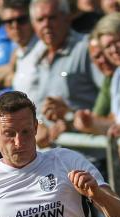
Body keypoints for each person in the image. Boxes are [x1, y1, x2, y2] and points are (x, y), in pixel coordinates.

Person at [12, 0, 99, 146]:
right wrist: (38, 124)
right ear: (33, 24)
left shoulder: (86, 49)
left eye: (52, 18)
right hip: (44, 157)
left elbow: (109, 101)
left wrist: (70, 117)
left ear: (67, 17)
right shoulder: (30, 56)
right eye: (40, 20)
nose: (46, 24)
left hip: (85, 154)